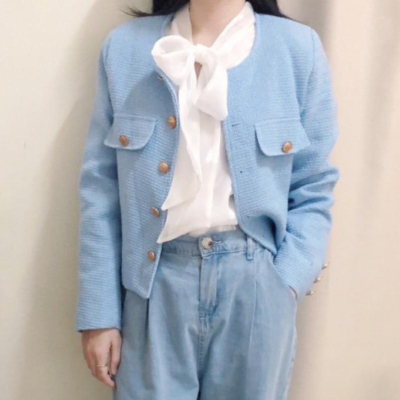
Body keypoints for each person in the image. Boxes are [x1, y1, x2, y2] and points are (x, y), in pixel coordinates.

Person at [75, 1, 340, 399]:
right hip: (154, 284)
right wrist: (99, 312)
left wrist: (285, 282)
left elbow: (314, 183)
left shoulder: (298, 49)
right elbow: (101, 190)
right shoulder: (125, 49)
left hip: (256, 287)